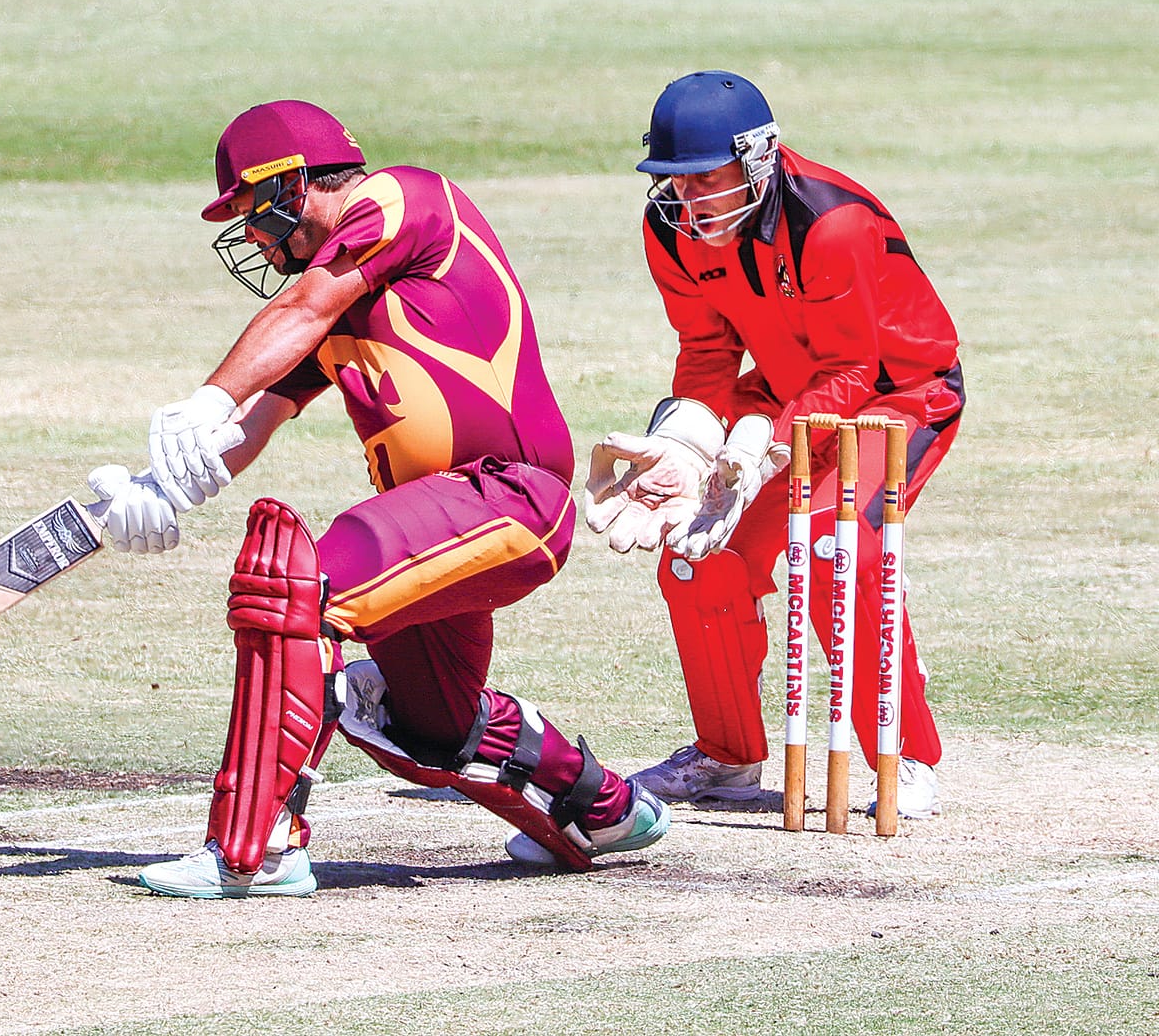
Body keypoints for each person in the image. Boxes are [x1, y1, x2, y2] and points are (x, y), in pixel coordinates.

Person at [85, 99, 668, 898]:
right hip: (449, 519)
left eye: (255, 213)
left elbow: (295, 315)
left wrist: (204, 399)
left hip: (510, 496)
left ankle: (255, 849)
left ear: (293, 183)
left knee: (294, 587)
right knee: (430, 726)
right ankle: (600, 806)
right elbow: (261, 415)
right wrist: (167, 485)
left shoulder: (404, 198)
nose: (252, 237)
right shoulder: (332, 303)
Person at [583, 70, 962, 817]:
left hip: (901, 393)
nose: (691, 202)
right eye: (675, 184)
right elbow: (706, 352)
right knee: (697, 556)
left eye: (706, 180)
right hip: (786, 389)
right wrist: (688, 446)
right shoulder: (672, 229)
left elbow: (854, 368)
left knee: (833, 550)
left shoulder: (830, 222)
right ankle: (726, 757)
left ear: (758, 159)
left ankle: (906, 753)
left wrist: (763, 446)